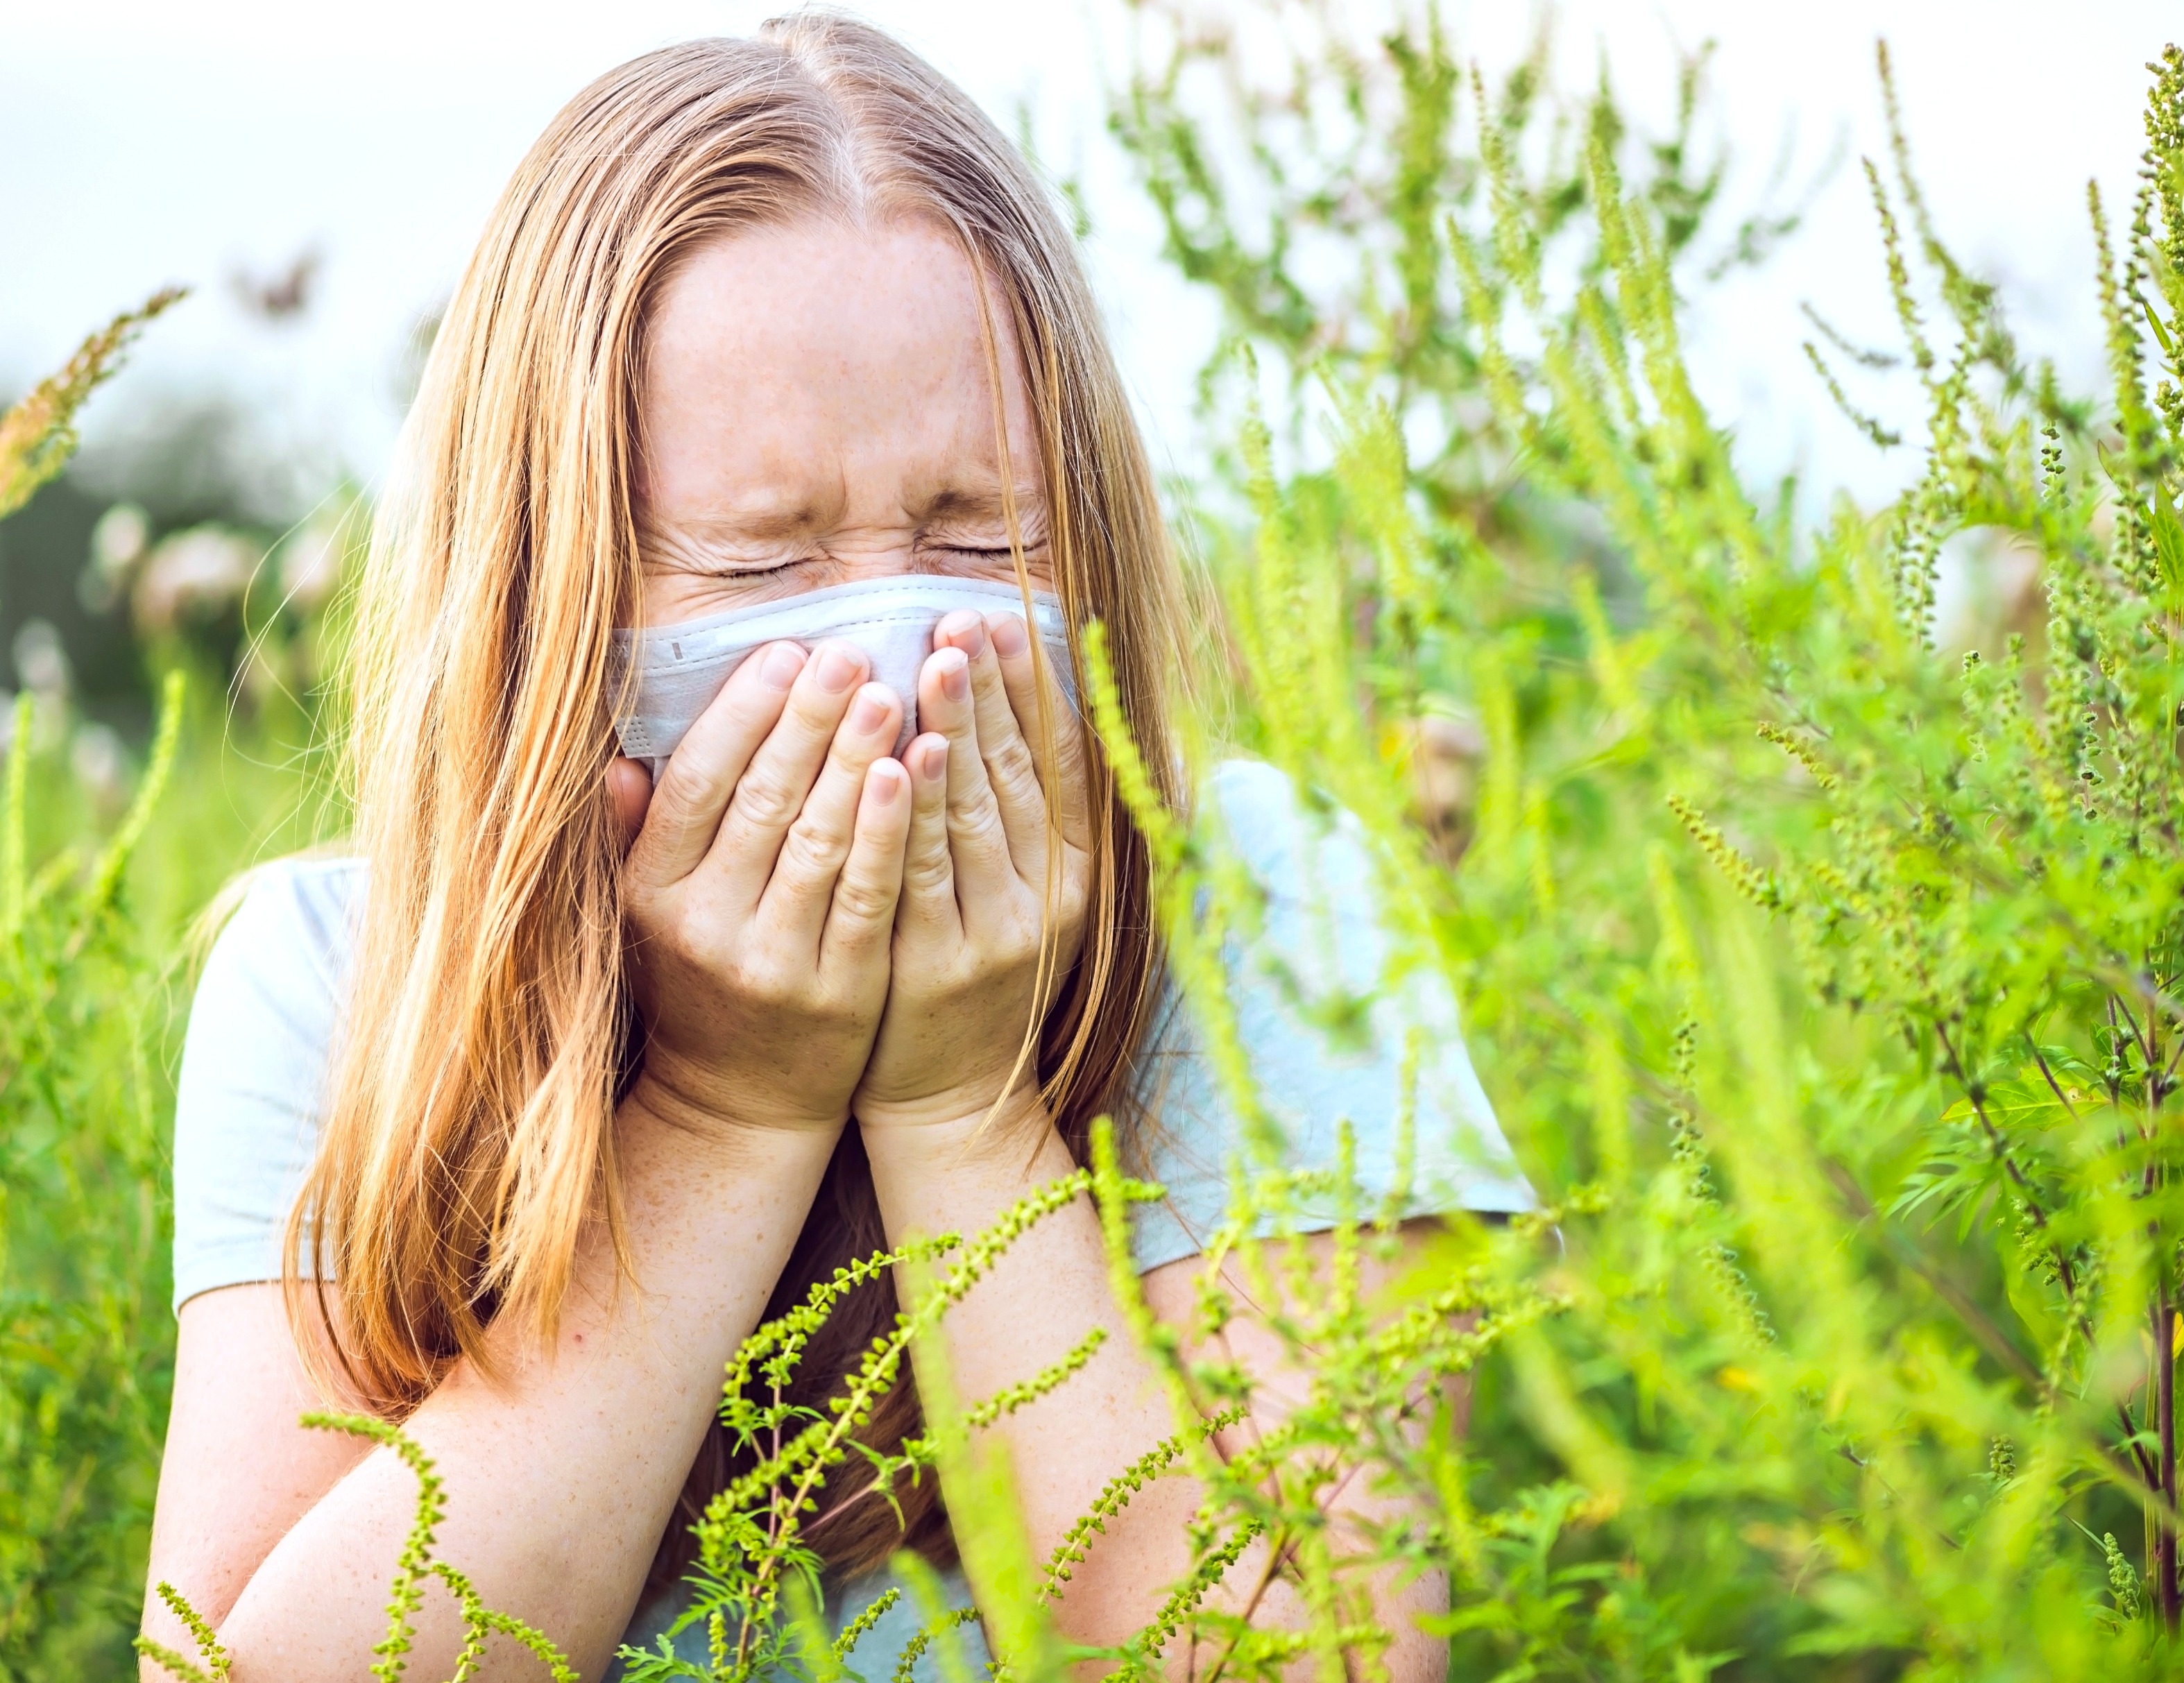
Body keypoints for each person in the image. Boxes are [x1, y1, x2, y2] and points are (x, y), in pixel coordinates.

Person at [141, 13, 1533, 1680]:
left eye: (975, 533)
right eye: (756, 560)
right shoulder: (338, 975)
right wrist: (727, 1112)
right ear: (552, 601)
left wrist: (958, 1105)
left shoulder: (1257, 910)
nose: (892, 649)